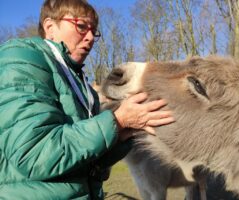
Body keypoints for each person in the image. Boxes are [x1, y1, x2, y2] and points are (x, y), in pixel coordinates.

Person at [0, 0, 174, 199]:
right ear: (50, 27)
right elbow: (34, 154)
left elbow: (86, 162)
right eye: (81, 26)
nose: (90, 37)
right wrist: (117, 121)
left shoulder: (83, 86)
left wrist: (120, 135)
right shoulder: (23, 60)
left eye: (94, 31)